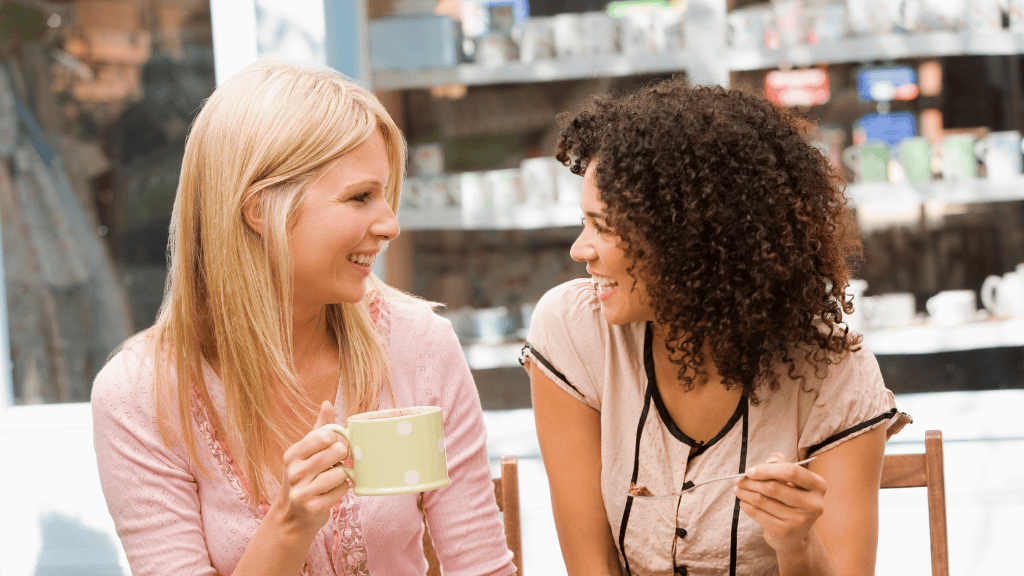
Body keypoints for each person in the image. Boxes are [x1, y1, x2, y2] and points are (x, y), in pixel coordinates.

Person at [92, 60, 516, 576]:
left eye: (385, 194)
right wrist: (290, 526)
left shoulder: (418, 344)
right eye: (360, 197)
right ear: (259, 211)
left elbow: (482, 568)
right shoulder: (141, 395)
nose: (390, 224)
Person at [522, 77, 911, 576]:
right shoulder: (574, 331)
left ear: (687, 242)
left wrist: (795, 542)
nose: (580, 249)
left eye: (604, 227)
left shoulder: (833, 372)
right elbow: (591, 567)